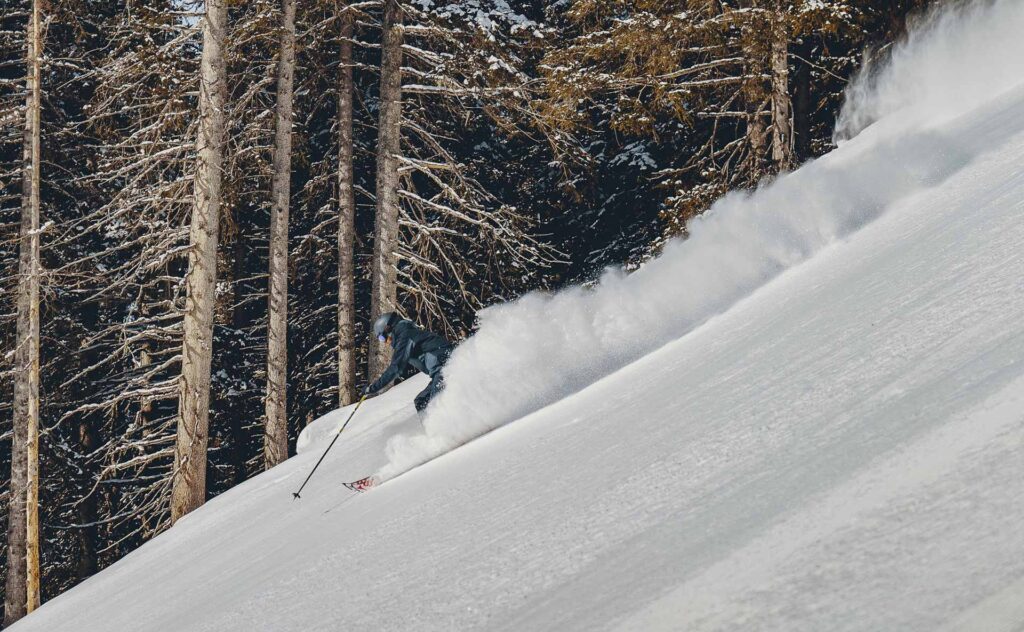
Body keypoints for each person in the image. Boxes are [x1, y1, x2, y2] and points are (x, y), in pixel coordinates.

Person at [363, 312, 453, 413]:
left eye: (382, 338)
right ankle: (433, 427)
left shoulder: (404, 335)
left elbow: (396, 367)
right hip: (440, 369)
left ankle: (448, 426)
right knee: (422, 402)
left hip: (445, 367)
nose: (385, 342)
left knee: (436, 402)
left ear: (388, 328)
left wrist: (373, 388)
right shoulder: (404, 334)